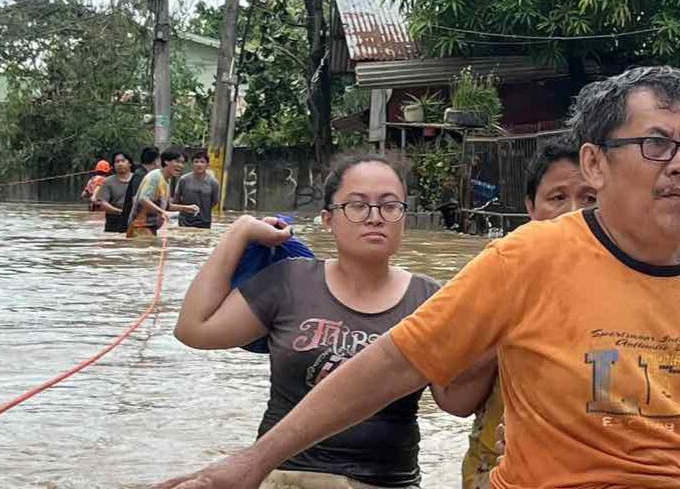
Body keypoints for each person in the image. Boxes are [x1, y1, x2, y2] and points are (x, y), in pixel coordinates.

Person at [154, 66, 680, 489]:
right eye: (658, 144)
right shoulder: (528, 258)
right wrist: (252, 463)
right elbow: (394, 364)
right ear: (595, 164)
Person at [172, 155, 491, 488]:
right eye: (357, 205)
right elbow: (194, 329)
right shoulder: (290, 280)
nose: (374, 217)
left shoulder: (430, 298)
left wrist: (496, 330)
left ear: (403, 219)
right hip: (283, 477)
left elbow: (456, 403)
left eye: (389, 206)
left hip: (385, 481)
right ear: (327, 220)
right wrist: (239, 232)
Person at [460, 134, 599, 489]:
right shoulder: (500, 272)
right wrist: (509, 328)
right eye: (557, 198)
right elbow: (453, 400)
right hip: (494, 475)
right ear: (531, 208)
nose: (573, 212)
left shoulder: (634, 285)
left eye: (589, 198)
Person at [127, 149, 196, 238]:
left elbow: (166, 206)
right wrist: (162, 212)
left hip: (151, 228)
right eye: (177, 161)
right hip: (139, 227)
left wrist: (186, 208)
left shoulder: (167, 180)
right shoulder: (155, 176)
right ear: (166, 161)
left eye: (183, 163)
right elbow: (143, 198)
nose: (180, 165)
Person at [173, 150, 221, 229]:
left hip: (204, 221)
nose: (199, 165)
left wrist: (203, 209)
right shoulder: (184, 180)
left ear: (207, 165)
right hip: (185, 221)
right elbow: (176, 199)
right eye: (196, 162)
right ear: (192, 164)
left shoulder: (213, 183)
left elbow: (215, 201)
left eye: (202, 162)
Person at [96, 152, 136, 234]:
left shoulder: (138, 179)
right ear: (113, 165)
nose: (120, 164)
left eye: (123, 161)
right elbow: (103, 204)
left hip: (135, 220)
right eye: (117, 162)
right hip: (114, 222)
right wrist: (120, 212)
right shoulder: (107, 182)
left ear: (130, 164)